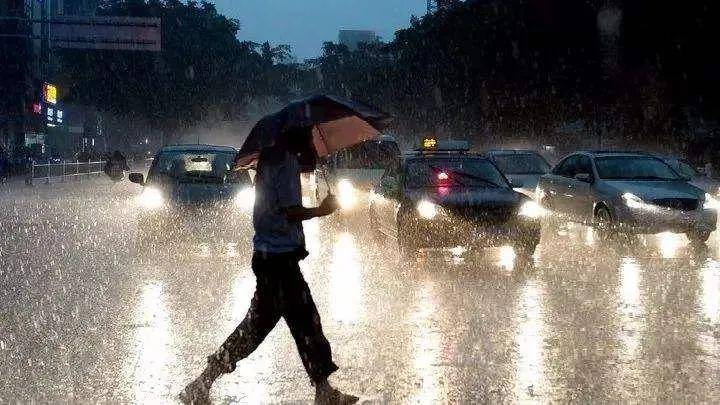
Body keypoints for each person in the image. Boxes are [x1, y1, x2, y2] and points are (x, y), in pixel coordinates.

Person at [180, 127, 358, 405]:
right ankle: (324, 392)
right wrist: (322, 210)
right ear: (296, 136)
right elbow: (290, 211)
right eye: (308, 135)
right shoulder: (285, 162)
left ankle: (203, 382)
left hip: (269, 256)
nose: (311, 140)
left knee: (261, 326)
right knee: (303, 323)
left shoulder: (270, 159)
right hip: (280, 260)